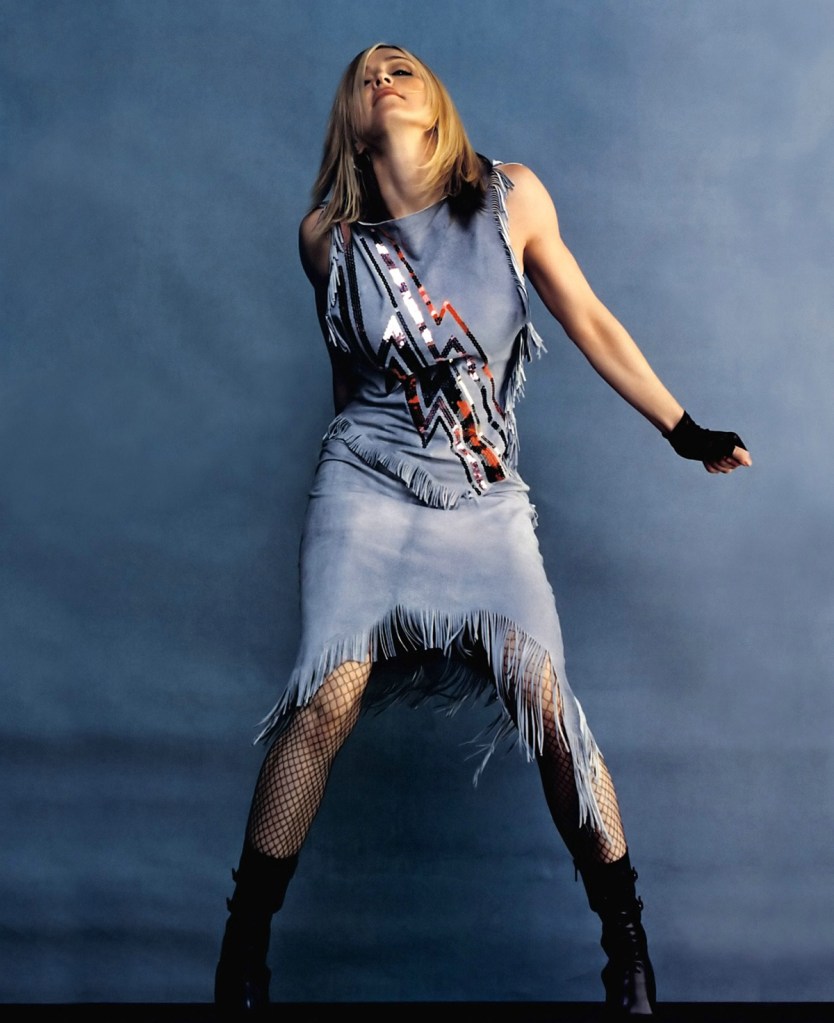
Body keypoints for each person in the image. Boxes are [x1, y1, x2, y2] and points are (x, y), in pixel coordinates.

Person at [214, 42, 752, 1018]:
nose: (384, 76)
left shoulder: (512, 197)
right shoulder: (327, 239)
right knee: (325, 699)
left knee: (548, 704)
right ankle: (241, 959)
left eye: (403, 68)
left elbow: (589, 318)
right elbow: (349, 380)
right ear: (351, 120)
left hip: (482, 497)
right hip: (366, 484)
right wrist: (353, 502)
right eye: (366, 75)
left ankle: (627, 952)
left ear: (437, 105)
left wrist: (683, 429)